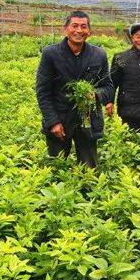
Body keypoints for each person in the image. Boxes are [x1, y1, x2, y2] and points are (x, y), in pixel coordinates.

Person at [35, 10, 113, 168]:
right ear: (65, 29)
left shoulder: (99, 55)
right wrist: (53, 122)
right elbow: (43, 91)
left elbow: (108, 86)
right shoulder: (51, 53)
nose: (79, 30)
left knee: (89, 168)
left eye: (83, 26)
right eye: (74, 26)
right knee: (57, 167)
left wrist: (96, 95)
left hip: (88, 120)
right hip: (60, 121)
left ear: (89, 31)